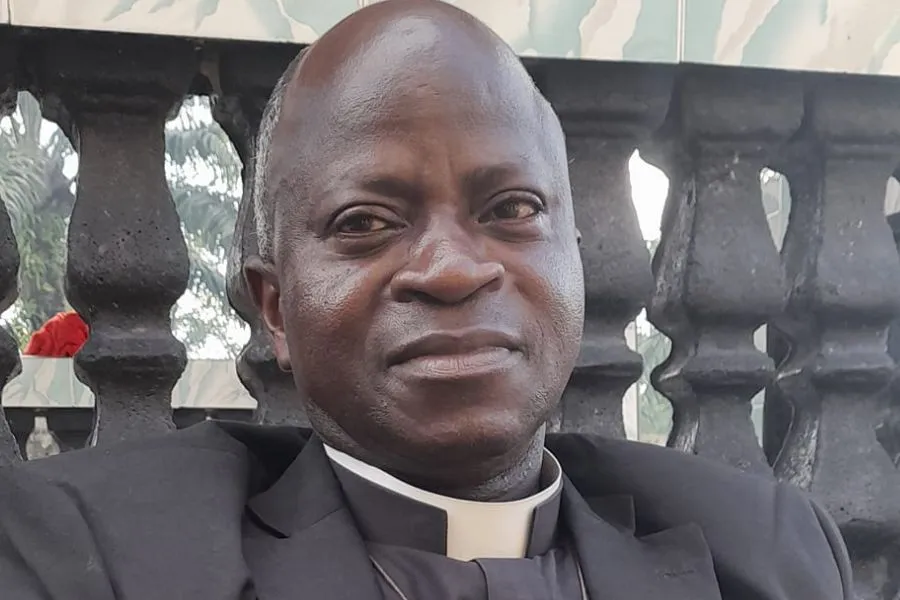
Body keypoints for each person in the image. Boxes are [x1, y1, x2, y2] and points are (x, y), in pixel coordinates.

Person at [0, 1, 852, 598]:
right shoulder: (89, 552)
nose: (451, 270)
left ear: (577, 260)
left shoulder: (771, 552)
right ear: (276, 310)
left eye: (511, 209)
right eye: (365, 222)